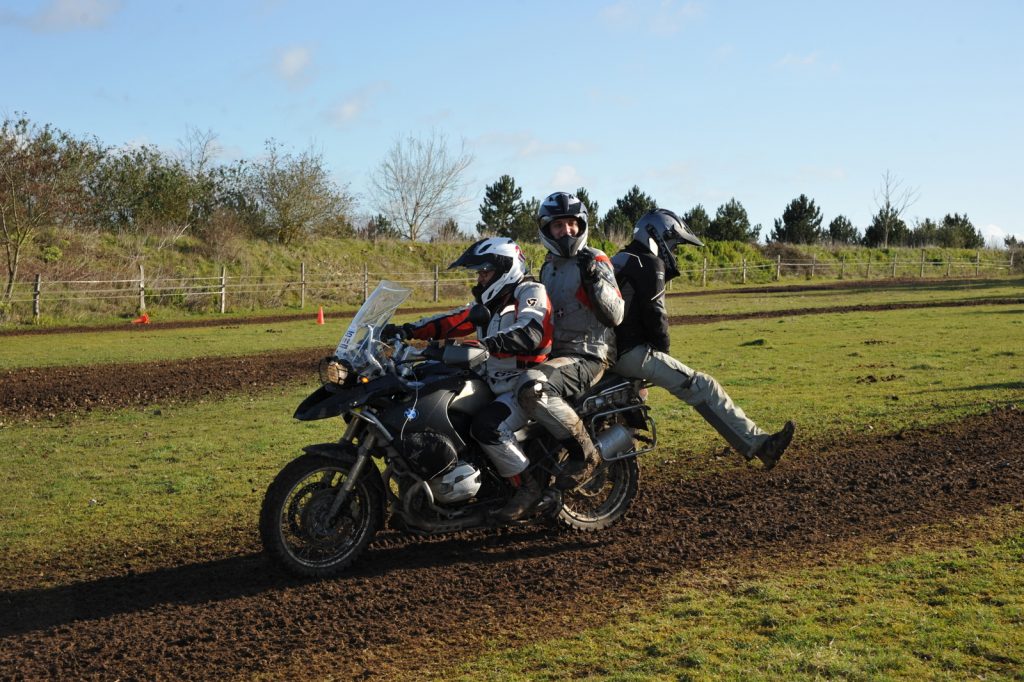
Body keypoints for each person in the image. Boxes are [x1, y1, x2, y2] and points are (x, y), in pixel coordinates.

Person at [382, 237, 554, 521]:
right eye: (480, 272)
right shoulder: (489, 300)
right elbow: (455, 319)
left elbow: (531, 331)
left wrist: (486, 345)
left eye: (485, 271)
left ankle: (528, 488)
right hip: (489, 378)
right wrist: (407, 329)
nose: (480, 277)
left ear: (504, 268)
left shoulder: (530, 291)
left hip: (521, 382)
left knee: (488, 426)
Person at [610, 209, 795, 469]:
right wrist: (663, 352)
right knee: (703, 386)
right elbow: (656, 316)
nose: (673, 252)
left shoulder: (619, 258)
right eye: (673, 243)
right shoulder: (648, 264)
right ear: (658, 235)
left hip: (608, 351)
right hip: (630, 353)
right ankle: (760, 445)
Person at [516, 192, 625, 489]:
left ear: (582, 225)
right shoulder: (548, 268)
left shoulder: (595, 259)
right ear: (546, 229)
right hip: (557, 354)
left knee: (533, 388)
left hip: (590, 355)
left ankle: (586, 454)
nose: (567, 231)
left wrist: (595, 282)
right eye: (558, 225)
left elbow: (616, 315)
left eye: (572, 224)